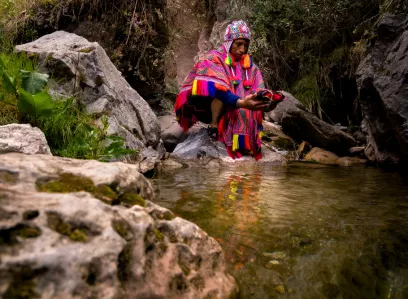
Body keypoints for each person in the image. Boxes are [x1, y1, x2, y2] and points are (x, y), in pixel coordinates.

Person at [174, 20, 284, 160]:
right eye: (238, 44)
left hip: (243, 107)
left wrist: (268, 101)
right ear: (229, 43)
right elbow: (218, 91)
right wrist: (241, 103)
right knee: (218, 88)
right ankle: (214, 127)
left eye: (245, 45)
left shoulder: (252, 68)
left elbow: (259, 90)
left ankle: (248, 141)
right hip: (217, 107)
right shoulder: (214, 59)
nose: (242, 50)